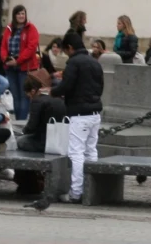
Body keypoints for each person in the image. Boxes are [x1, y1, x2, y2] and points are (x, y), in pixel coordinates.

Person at [50, 32, 104, 204]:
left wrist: (54, 91)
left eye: (66, 51)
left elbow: (67, 86)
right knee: (91, 151)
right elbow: (99, 86)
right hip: (95, 113)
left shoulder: (74, 62)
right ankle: (93, 190)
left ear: (70, 48)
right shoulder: (95, 62)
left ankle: (76, 193)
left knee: (76, 153)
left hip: (79, 114)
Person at [0, 5, 40, 121]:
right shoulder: (9, 28)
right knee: (15, 96)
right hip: (10, 66)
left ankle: (21, 123)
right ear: (14, 15)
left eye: (23, 13)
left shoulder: (31, 28)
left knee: (24, 96)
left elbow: (31, 48)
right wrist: (5, 59)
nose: (21, 16)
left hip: (24, 67)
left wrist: (17, 61)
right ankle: (17, 121)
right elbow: (3, 46)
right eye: (19, 14)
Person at [19, 75, 66, 152]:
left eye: (28, 95)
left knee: (21, 141)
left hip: (44, 140)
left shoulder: (37, 101)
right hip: (61, 138)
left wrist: (23, 131)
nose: (29, 98)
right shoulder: (57, 97)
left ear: (33, 91)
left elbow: (32, 126)